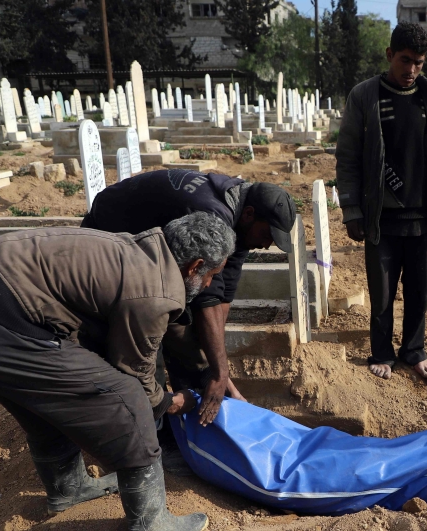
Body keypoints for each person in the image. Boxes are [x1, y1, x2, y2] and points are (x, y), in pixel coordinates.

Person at [0, 213, 236, 531]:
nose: (212, 283)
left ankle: (69, 488)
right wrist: (171, 401)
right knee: (126, 397)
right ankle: (151, 524)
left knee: (45, 395)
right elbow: (135, 375)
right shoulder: (154, 290)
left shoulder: (137, 247)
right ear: (194, 266)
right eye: (212, 274)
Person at [81, 170, 297, 427]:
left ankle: (190, 423)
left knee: (192, 339)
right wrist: (219, 372)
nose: (266, 245)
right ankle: (154, 431)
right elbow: (207, 297)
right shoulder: (210, 214)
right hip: (112, 247)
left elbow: (224, 292)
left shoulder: (240, 216)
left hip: (159, 258)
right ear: (250, 214)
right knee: (150, 346)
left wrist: (218, 365)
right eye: (267, 235)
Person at [336, 22, 427, 382]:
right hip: (382, 218)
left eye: (419, 63)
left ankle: (414, 350)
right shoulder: (365, 96)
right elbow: (348, 159)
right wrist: (352, 210)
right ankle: (382, 353)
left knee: (419, 292)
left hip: (422, 216)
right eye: (405, 61)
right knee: (383, 294)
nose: (411, 70)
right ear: (390, 55)